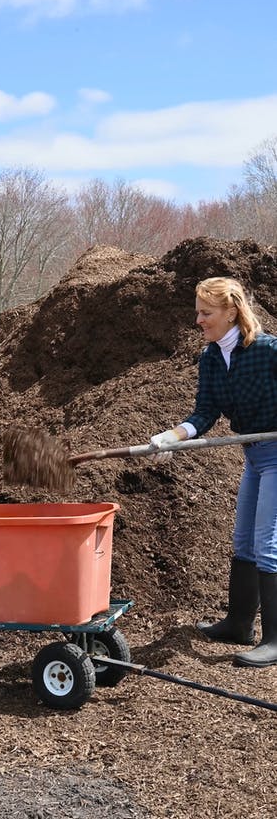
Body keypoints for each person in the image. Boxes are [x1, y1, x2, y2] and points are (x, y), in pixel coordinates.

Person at [149, 276, 277, 668]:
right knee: (242, 541)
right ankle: (239, 624)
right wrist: (170, 436)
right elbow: (205, 413)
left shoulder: (268, 350)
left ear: (231, 312)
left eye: (206, 313)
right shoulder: (209, 357)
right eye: (198, 313)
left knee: (266, 543)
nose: (199, 321)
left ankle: (274, 640)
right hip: (253, 453)